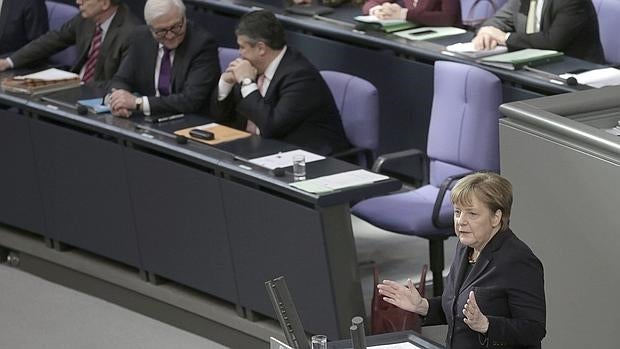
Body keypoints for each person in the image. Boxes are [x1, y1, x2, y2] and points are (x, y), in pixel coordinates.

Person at [378, 172, 546, 349]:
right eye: (458, 212)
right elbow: (456, 307)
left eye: (472, 214)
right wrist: (422, 306)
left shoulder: (518, 261)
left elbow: (534, 330)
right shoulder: (465, 247)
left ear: (496, 217)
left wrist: (486, 325)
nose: (461, 221)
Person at [210, 10, 349, 155]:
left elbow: (271, 127)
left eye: (242, 47)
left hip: (309, 159)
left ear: (261, 48)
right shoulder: (252, 67)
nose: (240, 53)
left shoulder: (300, 76)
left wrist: (247, 82)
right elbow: (220, 118)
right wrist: (225, 83)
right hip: (261, 151)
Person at [107, 0, 220, 117]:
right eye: (161, 31)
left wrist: (138, 103)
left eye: (176, 27)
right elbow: (121, 79)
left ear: (184, 18)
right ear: (150, 28)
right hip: (149, 120)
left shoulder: (202, 44)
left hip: (188, 121)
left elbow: (191, 100)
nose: (170, 35)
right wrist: (117, 101)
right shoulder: (139, 37)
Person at [0, 0, 139, 86]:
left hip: (100, 95)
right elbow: (53, 40)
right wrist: (9, 62)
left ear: (104, 3)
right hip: (76, 85)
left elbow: (122, 81)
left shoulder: (131, 33)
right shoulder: (86, 18)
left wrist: (81, 86)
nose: (78, 1)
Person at [472, 0, 604, 63]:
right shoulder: (519, 1)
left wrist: (505, 38)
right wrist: (485, 32)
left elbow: (552, 42)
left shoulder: (570, 1)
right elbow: (497, 21)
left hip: (576, 71)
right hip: (538, 67)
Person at [362, 0, 461, 27]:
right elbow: (371, 3)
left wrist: (403, 14)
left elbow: (448, 18)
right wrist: (379, 10)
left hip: (442, 41)